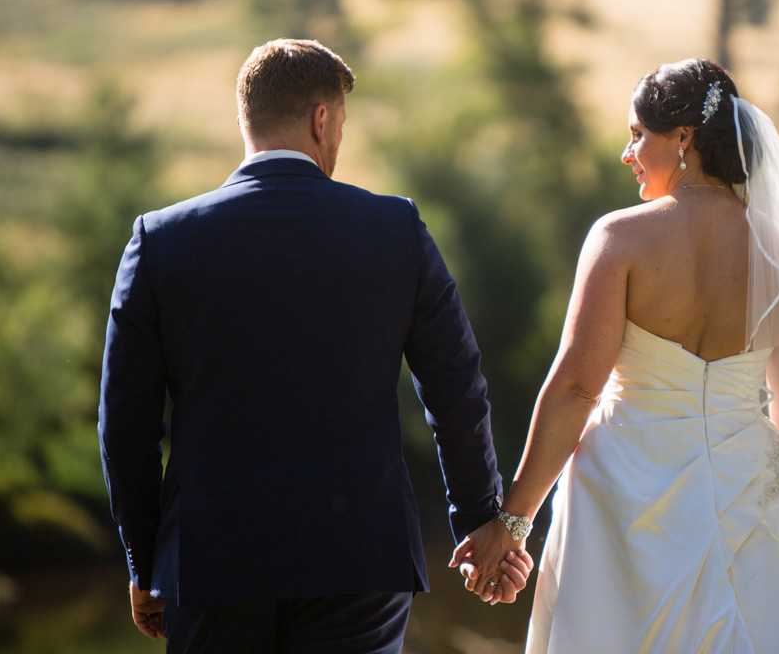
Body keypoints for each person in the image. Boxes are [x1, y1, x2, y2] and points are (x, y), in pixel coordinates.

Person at [452, 58, 779, 652]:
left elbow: (575, 389)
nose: (627, 153)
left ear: (684, 139)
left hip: (625, 497)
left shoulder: (619, 240)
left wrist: (513, 524)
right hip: (756, 498)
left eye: (638, 135)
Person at [98, 39, 532, 654]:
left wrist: (145, 561)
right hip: (359, 558)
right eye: (342, 126)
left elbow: (125, 426)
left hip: (212, 565)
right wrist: (478, 521)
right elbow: (456, 386)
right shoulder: (395, 230)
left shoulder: (161, 241)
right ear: (321, 120)